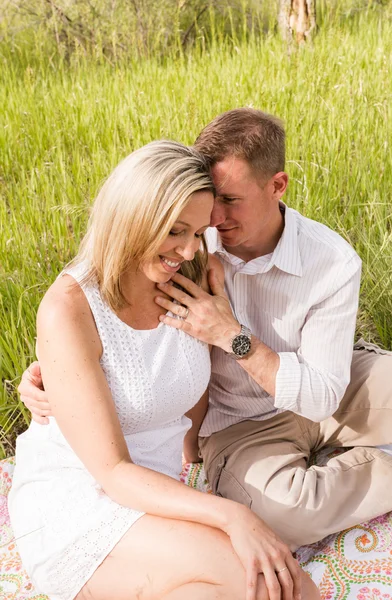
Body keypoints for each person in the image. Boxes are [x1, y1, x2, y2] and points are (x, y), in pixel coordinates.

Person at [20, 110, 392, 550]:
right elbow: (106, 305)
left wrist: (231, 335)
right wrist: (52, 370)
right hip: (242, 423)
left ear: (277, 186)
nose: (215, 217)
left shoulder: (331, 260)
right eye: (211, 199)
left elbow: (321, 398)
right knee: (284, 515)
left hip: (325, 386)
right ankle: (386, 469)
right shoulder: (187, 240)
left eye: (231, 200)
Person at [9, 139, 320, 600]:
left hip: (156, 492)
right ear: (135, 217)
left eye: (198, 232)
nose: (190, 249)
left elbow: (190, 383)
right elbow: (112, 469)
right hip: (82, 499)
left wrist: (192, 456)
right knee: (269, 583)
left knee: (278, 586)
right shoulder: (70, 309)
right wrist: (233, 516)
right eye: (176, 231)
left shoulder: (191, 276)